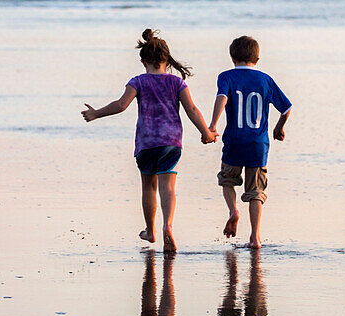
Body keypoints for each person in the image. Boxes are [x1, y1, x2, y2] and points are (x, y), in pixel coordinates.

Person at [82, 29, 216, 252]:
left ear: (143, 61)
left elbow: (121, 104)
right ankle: (168, 226)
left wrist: (96, 114)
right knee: (168, 188)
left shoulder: (138, 81)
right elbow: (192, 109)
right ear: (167, 60)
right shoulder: (177, 83)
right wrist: (206, 132)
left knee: (148, 188)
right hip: (171, 143)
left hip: (146, 144)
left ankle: (151, 230)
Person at [209, 35, 291, 249]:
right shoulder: (265, 79)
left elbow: (222, 98)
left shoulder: (225, 77)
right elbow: (287, 108)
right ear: (258, 57)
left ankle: (233, 211)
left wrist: (212, 125)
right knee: (256, 191)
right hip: (258, 144)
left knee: (227, 180)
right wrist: (279, 127)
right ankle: (255, 237)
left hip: (234, 142)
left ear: (232, 56)